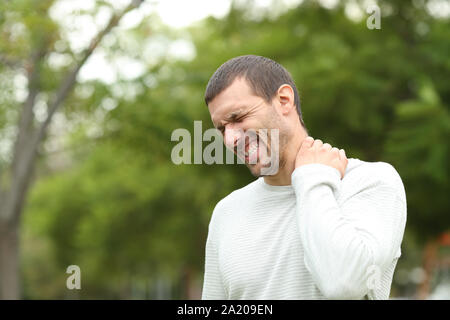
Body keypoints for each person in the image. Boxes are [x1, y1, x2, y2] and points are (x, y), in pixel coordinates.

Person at [201, 55, 407, 299]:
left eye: (238, 118)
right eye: (222, 128)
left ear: (284, 101)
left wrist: (311, 178)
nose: (230, 139)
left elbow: (344, 284)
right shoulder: (226, 212)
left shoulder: (370, 182)